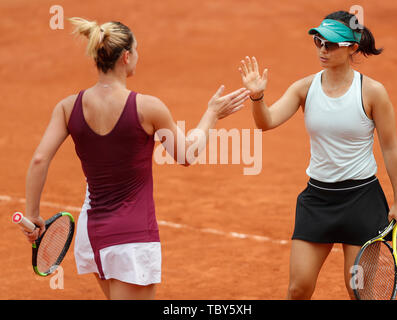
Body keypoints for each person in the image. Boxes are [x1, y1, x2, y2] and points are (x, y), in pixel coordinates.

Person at [22, 17, 250, 300]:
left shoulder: (68, 108)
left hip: (91, 236)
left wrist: (32, 216)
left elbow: (39, 160)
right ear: (126, 56)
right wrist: (212, 115)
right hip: (133, 239)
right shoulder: (148, 108)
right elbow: (187, 154)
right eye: (137, 50)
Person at [238, 10, 397, 299]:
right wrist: (257, 97)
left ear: (352, 48)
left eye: (330, 44)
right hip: (318, 200)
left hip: (362, 201)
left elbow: (390, 148)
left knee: (359, 292)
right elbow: (266, 122)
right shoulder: (305, 88)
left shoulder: (373, 93)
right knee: (298, 288)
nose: (322, 49)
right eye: (318, 42)